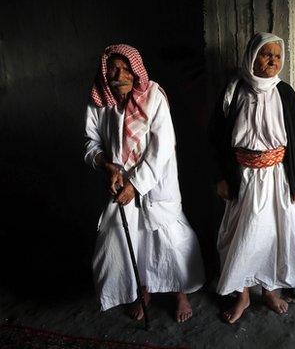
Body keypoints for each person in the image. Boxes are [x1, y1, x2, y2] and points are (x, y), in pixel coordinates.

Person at [84, 44, 205, 323]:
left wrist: (135, 185)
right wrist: (106, 165)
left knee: (169, 239)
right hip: (119, 182)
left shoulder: (153, 96)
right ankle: (143, 290)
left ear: (135, 70)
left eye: (126, 68)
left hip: (156, 180)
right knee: (131, 240)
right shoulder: (99, 100)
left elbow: (161, 148)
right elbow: (91, 143)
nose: (120, 74)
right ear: (106, 71)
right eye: (114, 68)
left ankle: (179, 293)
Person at [209, 32, 295, 324]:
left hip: (279, 178)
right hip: (243, 178)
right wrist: (220, 177)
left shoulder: (285, 93)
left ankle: (270, 290)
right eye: (266, 54)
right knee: (239, 236)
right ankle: (242, 294)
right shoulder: (233, 91)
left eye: (277, 56)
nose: (272, 61)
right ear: (252, 56)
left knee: (277, 236)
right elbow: (215, 139)